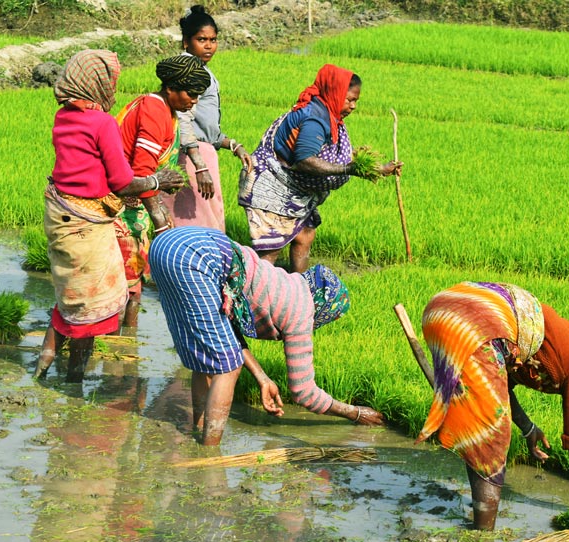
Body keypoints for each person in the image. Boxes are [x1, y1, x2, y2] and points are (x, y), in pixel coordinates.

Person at [416, 281, 569, 530]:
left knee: (485, 418)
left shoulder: (562, 337)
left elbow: (501, 383)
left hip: (443, 309)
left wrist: (528, 428)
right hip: (474, 322)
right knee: (491, 437)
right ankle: (483, 536)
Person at [148, 226, 384, 445]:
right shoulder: (302, 310)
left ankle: (197, 430)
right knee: (227, 368)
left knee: (205, 359)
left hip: (166, 246)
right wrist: (354, 412)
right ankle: (209, 450)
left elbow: (228, 332)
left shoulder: (286, 282)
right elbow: (304, 392)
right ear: (324, 308)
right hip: (197, 258)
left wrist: (262, 378)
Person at [34, 49, 183, 382]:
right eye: (111, 83)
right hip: (88, 224)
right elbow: (122, 181)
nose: (114, 91)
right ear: (97, 84)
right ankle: (74, 383)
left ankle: (42, 367)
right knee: (92, 306)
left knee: (70, 296)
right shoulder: (101, 123)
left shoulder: (64, 117)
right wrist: (160, 180)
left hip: (60, 213)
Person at [238, 63, 402, 273]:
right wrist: (346, 170)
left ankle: (300, 287)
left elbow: (334, 154)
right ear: (335, 93)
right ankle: (255, 294)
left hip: (293, 190)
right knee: (271, 248)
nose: (353, 106)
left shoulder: (330, 115)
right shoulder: (315, 118)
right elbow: (305, 160)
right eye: (349, 99)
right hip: (273, 187)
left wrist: (379, 169)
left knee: (305, 234)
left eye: (356, 101)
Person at [114, 54, 211, 329]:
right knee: (124, 286)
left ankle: (125, 347)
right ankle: (116, 351)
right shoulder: (155, 110)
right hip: (121, 207)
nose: (194, 100)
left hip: (134, 202)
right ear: (170, 88)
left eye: (198, 95)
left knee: (134, 285)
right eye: (190, 94)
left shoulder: (167, 110)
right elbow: (143, 171)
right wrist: (159, 221)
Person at [160, 5, 253, 231]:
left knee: (197, 220)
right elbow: (183, 119)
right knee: (198, 223)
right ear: (185, 41)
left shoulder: (198, 69)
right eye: (201, 39)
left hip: (198, 153)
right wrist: (200, 167)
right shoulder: (189, 71)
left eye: (213, 39)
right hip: (191, 156)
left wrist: (232, 145)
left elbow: (205, 127)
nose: (209, 45)